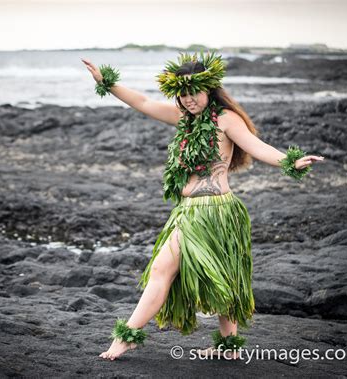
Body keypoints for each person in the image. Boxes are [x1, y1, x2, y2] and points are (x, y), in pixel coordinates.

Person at [81, 51, 325, 361]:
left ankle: (127, 337)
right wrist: (107, 82)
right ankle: (228, 348)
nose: (188, 99)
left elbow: (256, 146)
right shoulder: (183, 118)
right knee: (213, 277)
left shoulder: (226, 119)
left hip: (216, 212)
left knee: (165, 270)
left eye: (193, 92)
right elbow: (141, 102)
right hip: (187, 211)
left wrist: (291, 161)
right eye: (181, 94)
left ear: (209, 88)